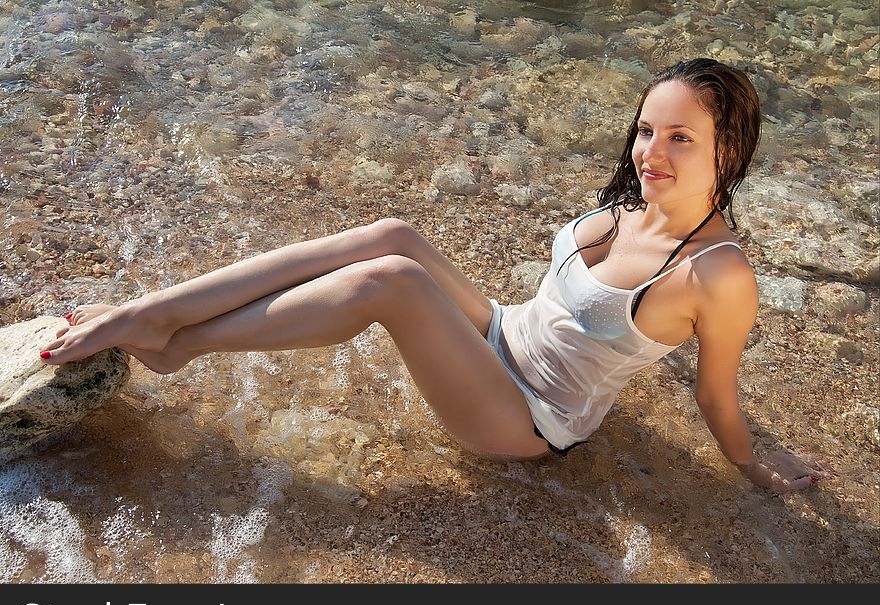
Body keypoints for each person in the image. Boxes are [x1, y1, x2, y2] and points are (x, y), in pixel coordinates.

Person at [39, 58, 826, 493]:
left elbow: (714, 392)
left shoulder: (717, 274)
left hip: (528, 417)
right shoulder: (637, 198)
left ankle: (177, 343)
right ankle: (151, 313)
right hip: (501, 333)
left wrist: (756, 460)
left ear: (730, 150)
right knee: (394, 236)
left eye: (681, 138)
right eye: (647, 130)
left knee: (393, 282)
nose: (651, 152)